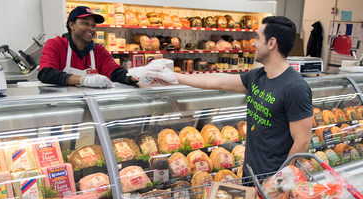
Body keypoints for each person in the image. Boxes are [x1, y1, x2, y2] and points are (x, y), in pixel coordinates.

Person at [154, 16, 313, 176]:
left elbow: (302, 142)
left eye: (257, 37)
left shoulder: (295, 87)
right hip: (251, 174)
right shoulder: (256, 77)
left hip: (273, 180)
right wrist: (173, 76)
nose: (253, 43)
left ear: (271, 43)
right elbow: (217, 81)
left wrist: (280, 182)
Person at [38, 6, 138, 88]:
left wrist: (136, 76)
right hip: (63, 105)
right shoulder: (56, 44)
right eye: (85, 23)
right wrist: (83, 80)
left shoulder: (98, 50)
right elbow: (46, 73)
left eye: (93, 25)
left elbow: (115, 72)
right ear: (71, 25)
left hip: (91, 105)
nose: (91, 29)